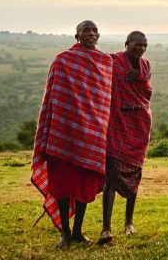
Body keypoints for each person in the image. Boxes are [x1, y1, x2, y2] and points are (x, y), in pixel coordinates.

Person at [31, 20, 112, 248]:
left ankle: (77, 232)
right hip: (64, 134)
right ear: (76, 35)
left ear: (99, 35)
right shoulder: (63, 60)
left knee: (84, 186)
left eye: (94, 30)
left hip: (92, 135)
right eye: (86, 30)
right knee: (64, 186)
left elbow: (104, 100)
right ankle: (65, 233)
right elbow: (53, 98)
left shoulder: (105, 62)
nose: (91, 33)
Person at [97, 31, 152, 245]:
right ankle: (106, 228)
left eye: (144, 45)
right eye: (137, 44)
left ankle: (129, 222)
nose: (141, 48)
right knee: (111, 174)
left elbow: (147, 92)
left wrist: (138, 78)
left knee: (135, 172)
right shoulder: (113, 61)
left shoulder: (145, 66)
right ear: (127, 44)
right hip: (117, 123)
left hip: (139, 123)